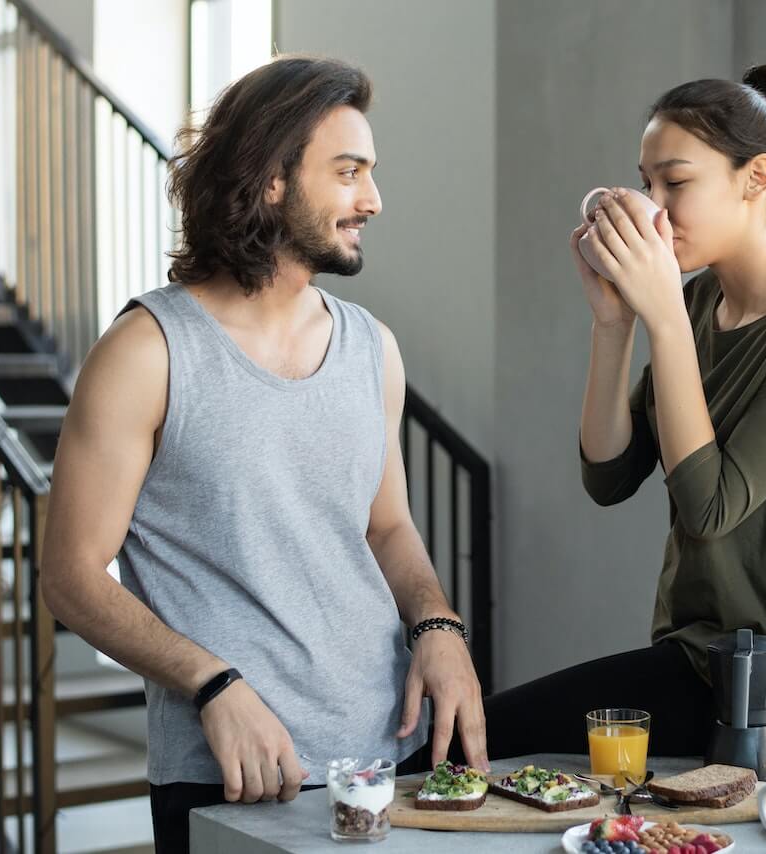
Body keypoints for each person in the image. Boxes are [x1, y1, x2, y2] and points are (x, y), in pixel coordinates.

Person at [38, 57, 487, 854]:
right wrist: (213, 683)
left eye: (370, 174)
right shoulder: (148, 351)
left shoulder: (371, 349)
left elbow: (387, 529)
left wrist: (438, 626)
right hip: (232, 772)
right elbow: (71, 576)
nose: (372, 201)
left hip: (394, 761)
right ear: (271, 180)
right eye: (347, 173)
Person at [478, 63, 766, 760]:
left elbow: (710, 506)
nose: (653, 206)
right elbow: (607, 477)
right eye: (646, 182)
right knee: (483, 747)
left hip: (760, 689)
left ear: (755, 179)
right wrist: (615, 325)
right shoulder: (698, 305)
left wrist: (663, 316)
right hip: (688, 657)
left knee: (479, 735)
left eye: (676, 182)